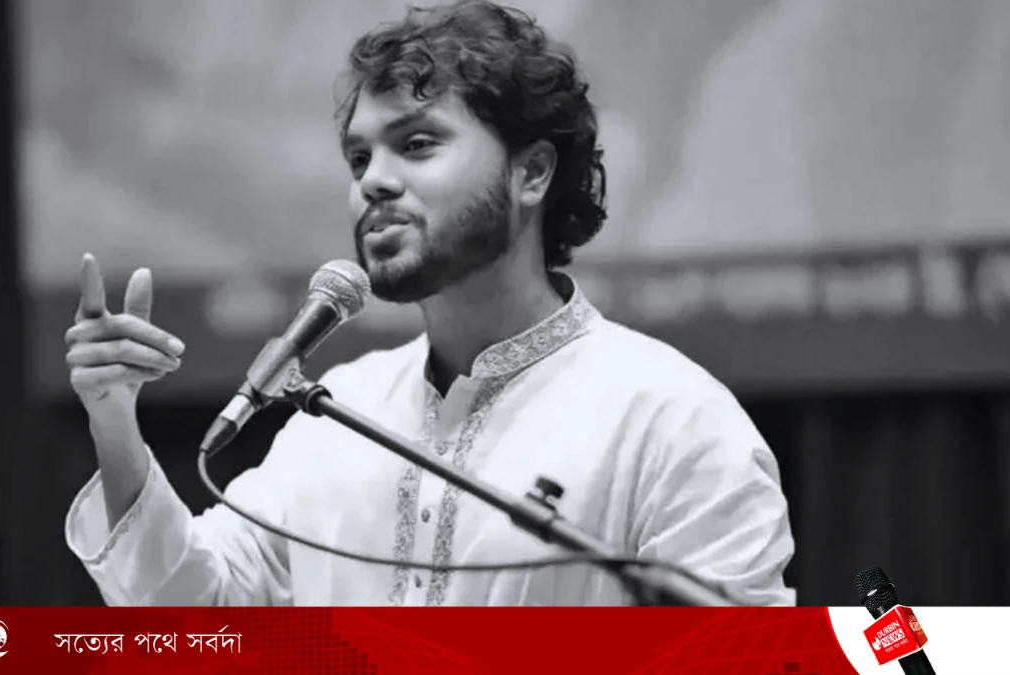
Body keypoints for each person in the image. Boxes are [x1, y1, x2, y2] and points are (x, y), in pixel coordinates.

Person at [63, 0, 796, 607]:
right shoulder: (339, 414)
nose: (372, 182)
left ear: (532, 173)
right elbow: (198, 615)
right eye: (360, 157)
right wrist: (114, 421)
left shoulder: (671, 419)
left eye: (416, 145)